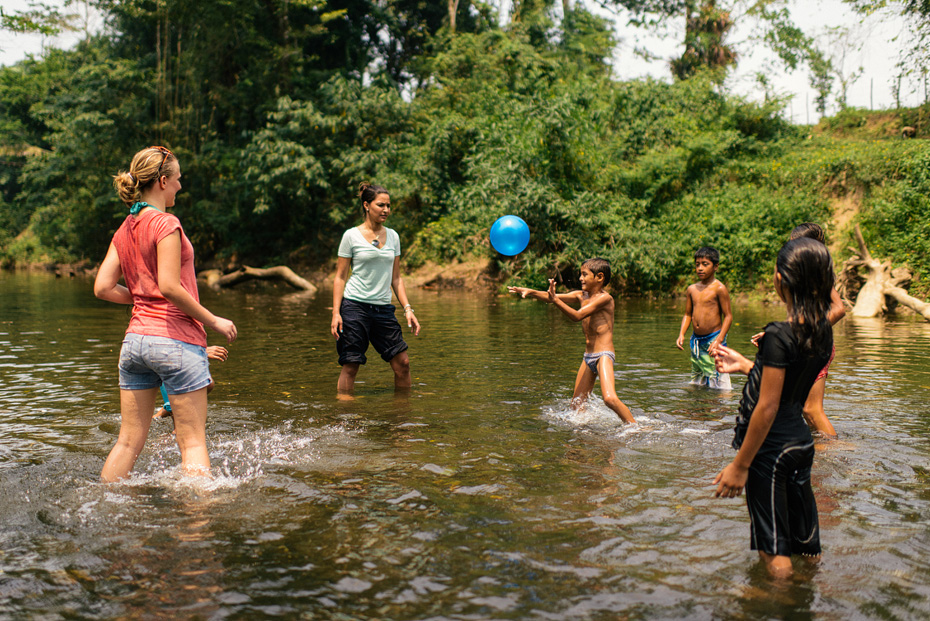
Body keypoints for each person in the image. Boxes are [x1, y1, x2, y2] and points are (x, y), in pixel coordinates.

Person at [94, 146, 238, 482]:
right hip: (174, 341)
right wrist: (213, 320)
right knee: (192, 443)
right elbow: (170, 286)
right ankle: (197, 526)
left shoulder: (124, 228)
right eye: (177, 179)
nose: (180, 186)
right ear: (162, 181)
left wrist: (142, 298)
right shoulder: (166, 223)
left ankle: (103, 505)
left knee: (128, 442)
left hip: (134, 343)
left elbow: (102, 287)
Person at [712, 237, 835, 578]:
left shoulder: (778, 334)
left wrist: (740, 465)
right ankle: (810, 592)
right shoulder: (822, 331)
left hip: (771, 451)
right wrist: (746, 365)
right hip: (801, 444)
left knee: (775, 552)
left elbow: (767, 407)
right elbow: (789, 389)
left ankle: (780, 603)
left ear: (781, 280)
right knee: (806, 544)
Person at [508, 258, 635, 424]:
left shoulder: (606, 299)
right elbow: (550, 296)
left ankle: (635, 427)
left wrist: (555, 300)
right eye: (580, 274)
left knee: (609, 399)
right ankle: (583, 435)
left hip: (603, 355)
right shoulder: (581, 295)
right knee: (576, 406)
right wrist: (530, 291)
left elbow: (577, 316)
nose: (580, 278)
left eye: (584, 274)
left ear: (600, 277)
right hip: (588, 357)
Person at [750, 223, 845, 437]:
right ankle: (819, 450)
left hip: (815, 344)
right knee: (802, 408)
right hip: (805, 344)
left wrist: (804, 332)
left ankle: (837, 452)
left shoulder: (818, 273)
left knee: (811, 409)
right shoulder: (801, 273)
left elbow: (839, 309)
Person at [331, 182, 421, 395]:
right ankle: (345, 417)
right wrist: (336, 313)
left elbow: (396, 278)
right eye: (381, 205)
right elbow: (339, 277)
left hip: (383, 309)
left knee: (403, 363)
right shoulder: (350, 236)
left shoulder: (393, 236)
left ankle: (401, 415)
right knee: (351, 365)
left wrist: (408, 308)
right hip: (354, 307)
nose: (386, 210)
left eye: (388, 206)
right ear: (366, 205)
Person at [676, 247, 733, 389]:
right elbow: (688, 314)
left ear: (716, 267)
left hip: (714, 339)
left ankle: (723, 405)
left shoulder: (719, 288)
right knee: (697, 378)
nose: (700, 268)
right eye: (697, 264)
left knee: (718, 378)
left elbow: (728, 317)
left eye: (705, 264)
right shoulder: (691, 289)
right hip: (696, 340)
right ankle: (699, 405)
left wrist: (719, 339)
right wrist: (682, 333)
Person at [154, 345, 228, 419]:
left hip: (176, 357)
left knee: (207, 383)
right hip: (169, 358)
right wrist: (198, 352)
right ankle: (170, 409)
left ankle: (164, 412)